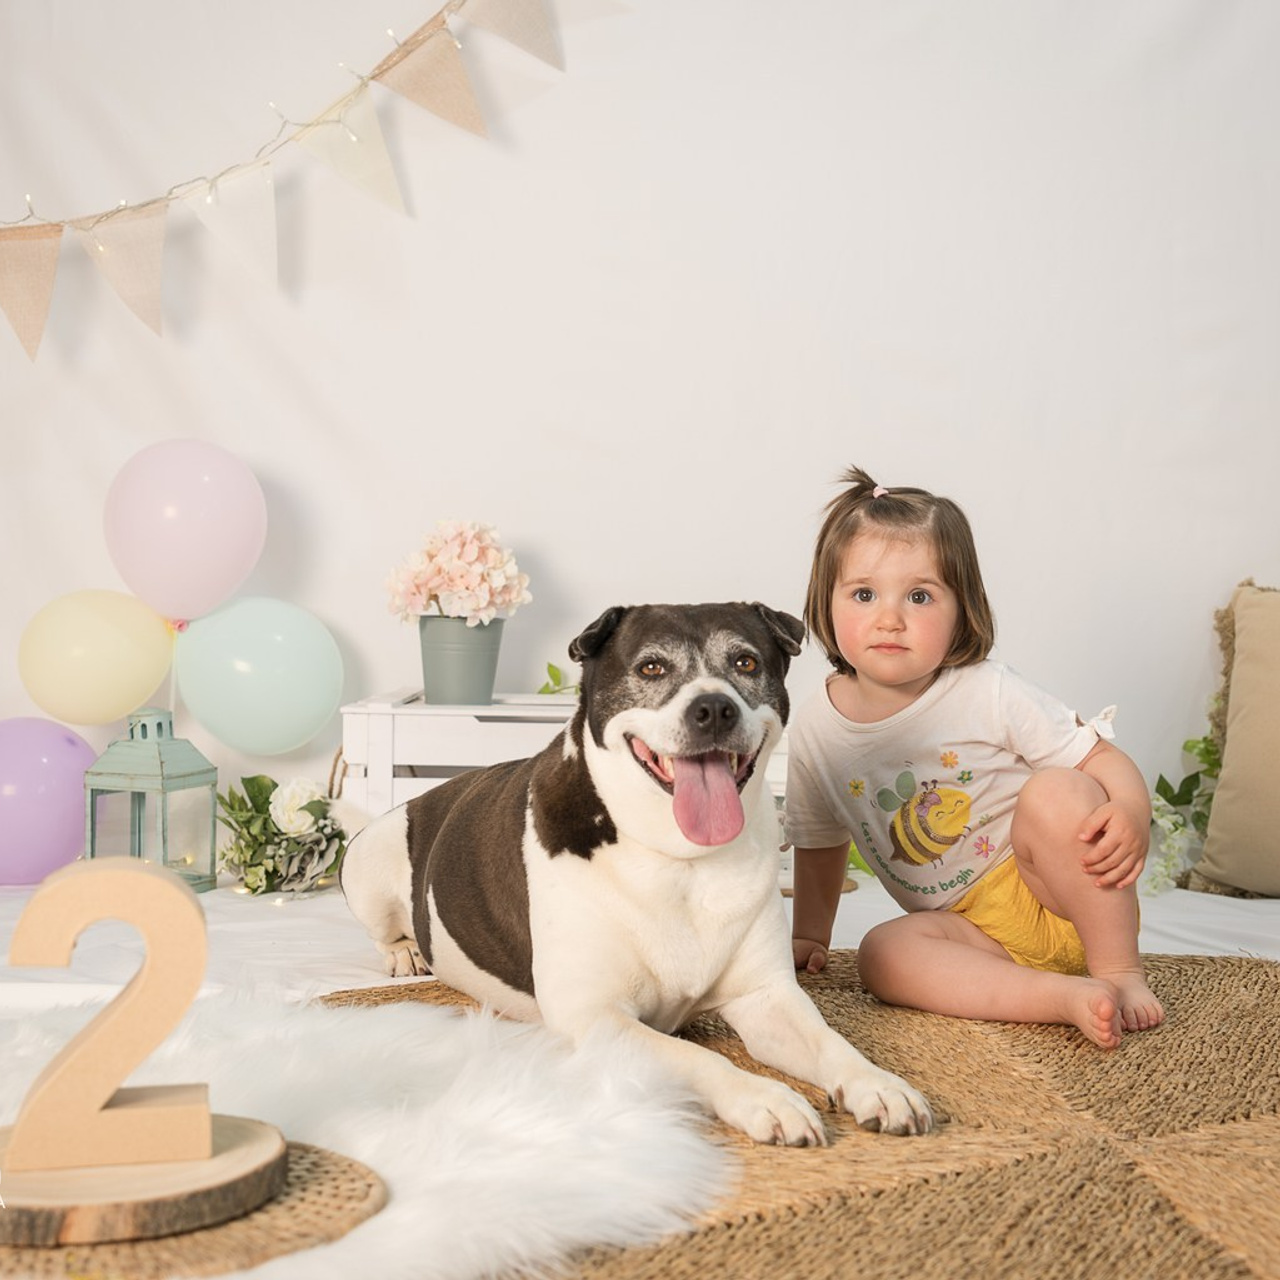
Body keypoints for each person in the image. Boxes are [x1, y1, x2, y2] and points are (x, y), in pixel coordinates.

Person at [786, 466, 1163, 1049]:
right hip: (967, 932)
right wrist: (810, 933)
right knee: (882, 953)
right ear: (825, 602)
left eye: (919, 595)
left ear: (963, 606)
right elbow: (819, 841)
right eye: (864, 594)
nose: (890, 617)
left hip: (1062, 895)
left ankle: (1118, 972)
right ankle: (1057, 999)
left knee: (1058, 789)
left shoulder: (986, 690)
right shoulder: (815, 728)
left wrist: (1133, 809)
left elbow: (1100, 759)